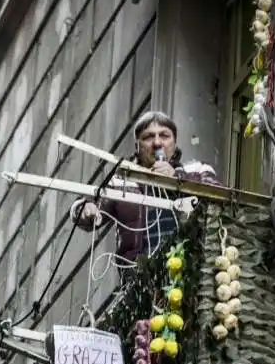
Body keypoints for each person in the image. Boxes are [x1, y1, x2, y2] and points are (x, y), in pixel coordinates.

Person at [70, 111, 222, 265]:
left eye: (164, 135)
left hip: (189, 273)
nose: (157, 143)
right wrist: (84, 208)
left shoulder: (198, 169)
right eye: (148, 137)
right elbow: (91, 204)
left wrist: (178, 178)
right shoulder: (122, 183)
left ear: (174, 143)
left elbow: (220, 197)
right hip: (142, 279)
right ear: (137, 146)